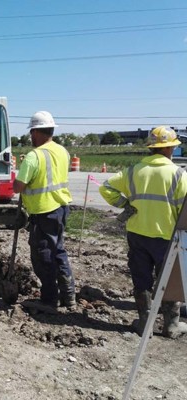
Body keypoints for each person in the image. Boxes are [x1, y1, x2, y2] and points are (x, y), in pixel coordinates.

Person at [99, 126, 187, 338]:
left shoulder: (133, 171)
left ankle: (144, 324)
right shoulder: (178, 174)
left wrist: (126, 204)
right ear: (169, 149)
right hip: (167, 237)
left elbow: (106, 187)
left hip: (137, 234)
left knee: (141, 278)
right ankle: (171, 326)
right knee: (169, 279)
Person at [13, 111, 75, 311]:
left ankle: (49, 299)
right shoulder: (62, 151)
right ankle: (68, 295)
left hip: (44, 211)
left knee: (43, 255)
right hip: (61, 208)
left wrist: (19, 176)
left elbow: (18, 187)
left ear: (37, 132)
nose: (31, 137)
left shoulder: (34, 156)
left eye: (32, 132)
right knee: (58, 251)